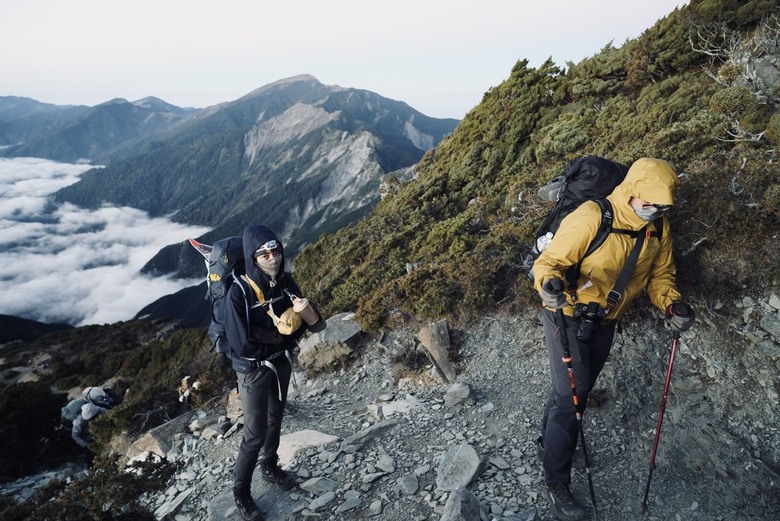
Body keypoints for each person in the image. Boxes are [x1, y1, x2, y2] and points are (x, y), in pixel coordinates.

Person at [531, 158, 695, 521]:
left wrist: (672, 304)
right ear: (632, 192)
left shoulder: (658, 229)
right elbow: (549, 263)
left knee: (576, 390)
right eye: (649, 204)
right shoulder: (593, 216)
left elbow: (660, 275)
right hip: (567, 313)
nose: (655, 211)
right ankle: (556, 480)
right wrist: (549, 287)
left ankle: (549, 443)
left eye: (662, 206)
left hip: (605, 319)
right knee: (572, 394)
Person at [225, 224, 322, 521]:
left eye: (275, 250)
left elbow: (313, 326)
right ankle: (241, 491)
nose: (272, 257)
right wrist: (281, 339)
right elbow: (241, 344)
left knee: (275, 415)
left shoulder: (286, 283)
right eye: (263, 253)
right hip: (253, 370)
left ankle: (270, 466)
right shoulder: (238, 292)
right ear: (253, 258)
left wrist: (306, 313)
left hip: (279, 362)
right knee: (254, 433)